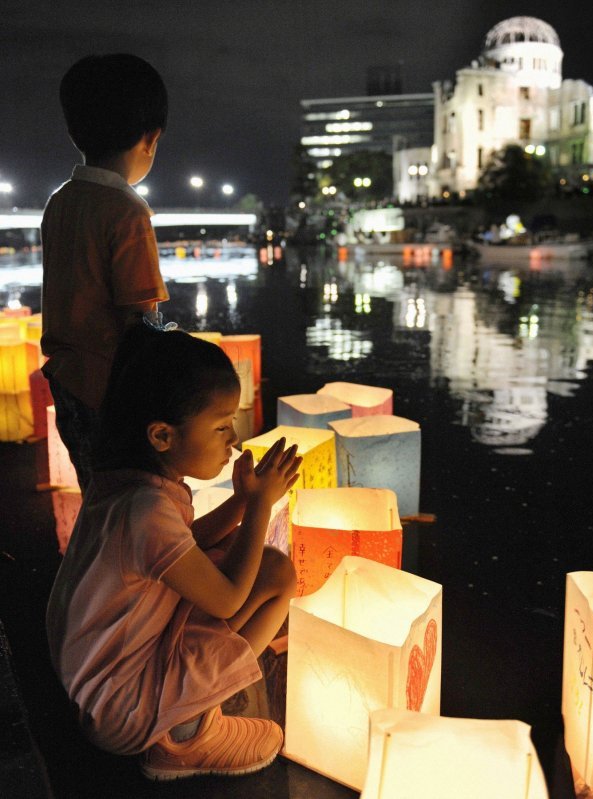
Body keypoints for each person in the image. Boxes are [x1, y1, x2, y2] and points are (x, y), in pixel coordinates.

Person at [46, 324, 302, 779]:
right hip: (124, 710)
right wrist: (262, 503)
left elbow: (192, 544)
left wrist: (242, 500)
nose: (234, 439)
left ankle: (190, 710)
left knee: (256, 563)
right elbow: (227, 599)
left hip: (101, 688)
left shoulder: (128, 485)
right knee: (276, 575)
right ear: (161, 435)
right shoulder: (144, 510)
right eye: (222, 425)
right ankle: (186, 733)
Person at [41, 54, 170, 491]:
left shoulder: (60, 202)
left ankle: (89, 556)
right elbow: (141, 316)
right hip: (110, 387)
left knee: (95, 491)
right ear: (150, 139)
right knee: (132, 495)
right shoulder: (128, 212)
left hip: (64, 380)